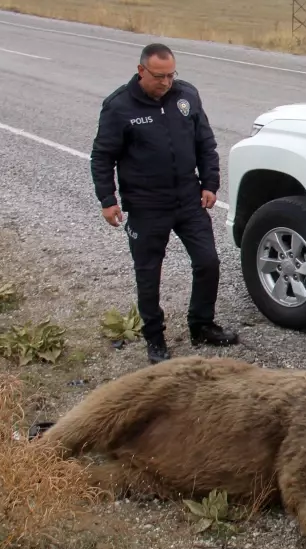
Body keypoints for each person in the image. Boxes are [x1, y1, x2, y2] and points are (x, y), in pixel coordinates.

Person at [90, 42, 239, 364]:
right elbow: (103, 156)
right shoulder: (119, 107)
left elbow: (206, 143)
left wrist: (210, 183)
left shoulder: (187, 96)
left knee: (208, 263)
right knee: (149, 273)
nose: (166, 83)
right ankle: (155, 339)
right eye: (159, 76)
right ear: (141, 70)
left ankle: (202, 325)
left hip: (188, 199)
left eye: (172, 75)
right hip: (146, 205)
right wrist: (108, 200)